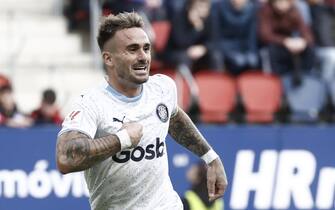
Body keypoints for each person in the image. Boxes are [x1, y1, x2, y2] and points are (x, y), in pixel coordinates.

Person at [56, 12, 227, 210]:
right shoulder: (92, 104)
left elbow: (173, 117)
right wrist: (122, 139)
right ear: (108, 59)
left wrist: (210, 157)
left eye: (146, 48)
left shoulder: (163, 88)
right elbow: (65, 158)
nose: (143, 57)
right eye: (132, 49)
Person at [258, 0, 315, 85]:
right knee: (272, 50)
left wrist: (303, 42)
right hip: (274, 44)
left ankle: (306, 77)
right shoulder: (266, 10)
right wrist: (285, 41)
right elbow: (265, 35)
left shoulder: (294, 10)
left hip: (290, 45)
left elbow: (306, 31)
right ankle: (278, 81)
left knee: (309, 49)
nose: (282, 4)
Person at [212, 0, 259, 75]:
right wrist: (230, 53)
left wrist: (252, 52)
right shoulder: (219, 7)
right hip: (225, 46)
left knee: (253, 60)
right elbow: (216, 35)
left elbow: (252, 35)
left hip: (243, 46)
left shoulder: (252, 9)